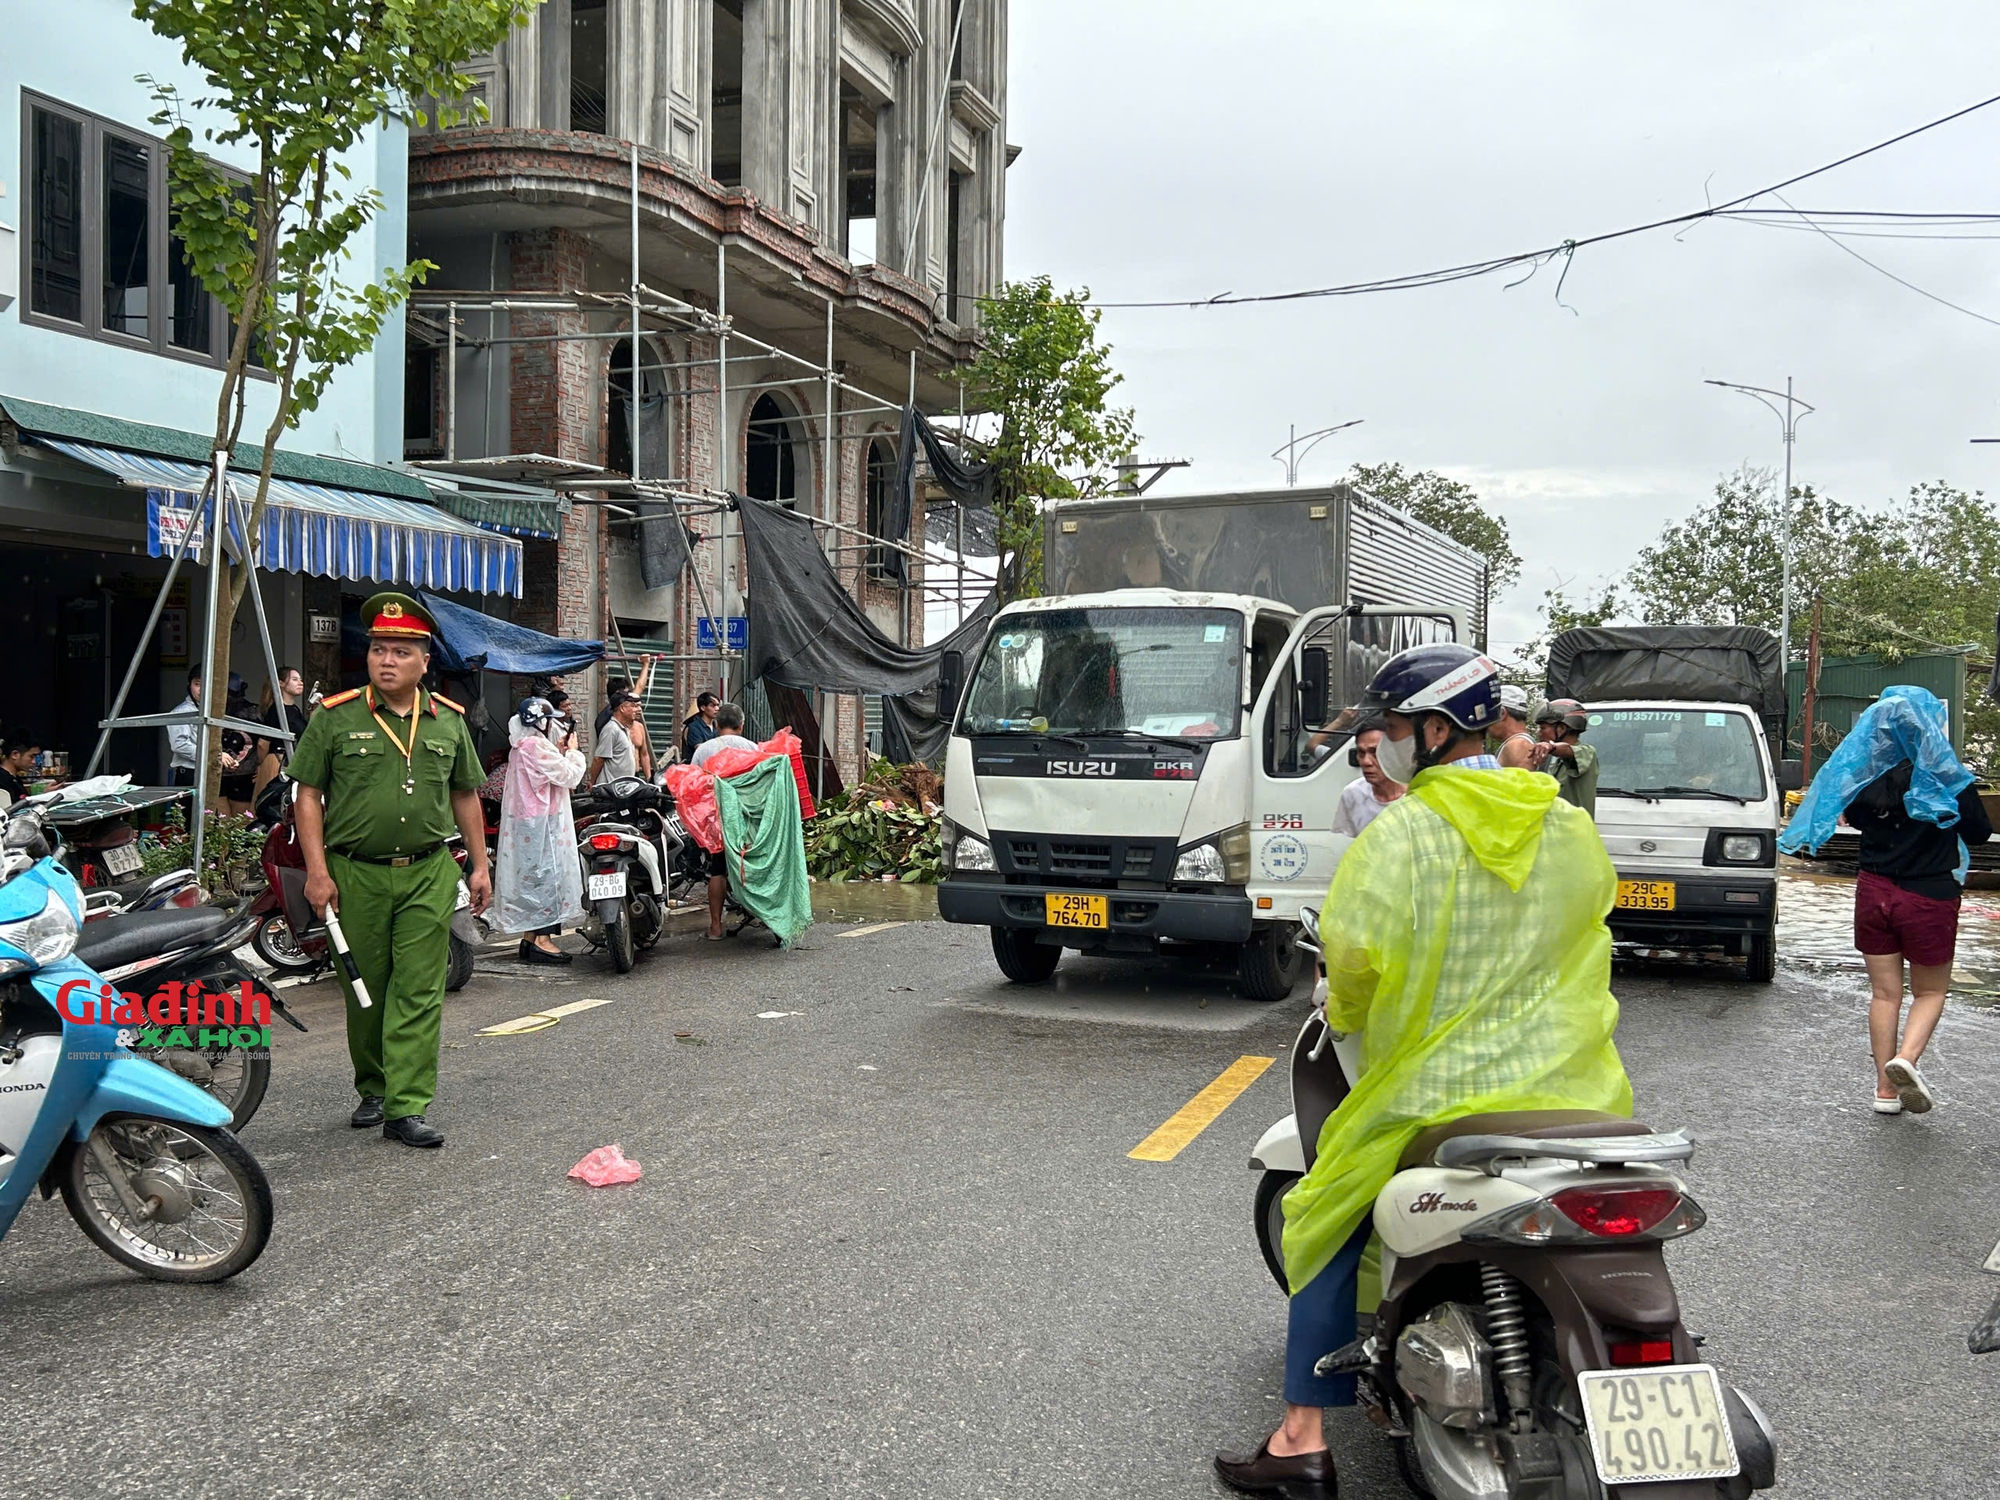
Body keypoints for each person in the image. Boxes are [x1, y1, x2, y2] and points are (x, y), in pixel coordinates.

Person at [1216, 643, 1631, 1500]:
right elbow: (1590, 932)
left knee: (1321, 1212)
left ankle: (1301, 1438)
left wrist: (1349, 1010)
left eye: (1397, 727)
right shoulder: (1569, 826)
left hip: (1436, 1096)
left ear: (1435, 729)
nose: (1388, 742)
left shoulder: (1402, 836)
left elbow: (1355, 963)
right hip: (1576, 1092)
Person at [289, 592, 492, 1150]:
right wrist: (316, 871)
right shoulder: (335, 718)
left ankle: (407, 1105)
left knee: (420, 989)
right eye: (380, 649)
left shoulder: (448, 722)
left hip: (428, 870)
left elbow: (465, 795)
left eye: (402, 651)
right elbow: (307, 797)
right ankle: (374, 1085)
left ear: (425, 660)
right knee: (364, 988)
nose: (387, 660)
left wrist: (480, 864)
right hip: (355, 873)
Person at [1779, 685, 1991, 1115]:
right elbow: (1979, 833)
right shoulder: (1947, 775)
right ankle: (1905, 1060)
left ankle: (1884, 1091)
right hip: (1929, 894)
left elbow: (1852, 816)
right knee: (1929, 992)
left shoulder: (1864, 775)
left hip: (1874, 892)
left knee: (1884, 994)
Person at [493, 697, 587, 967]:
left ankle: (529, 937)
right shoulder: (535, 746)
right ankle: (543, 940)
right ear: (542, 722)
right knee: (547, 878)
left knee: (531, 879)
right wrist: (573, 752)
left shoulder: (521, 746)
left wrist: (558, 752)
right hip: (543, 825)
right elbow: (569, 775)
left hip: (526, 825)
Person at [691, 702, 761, 941]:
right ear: (741, 726)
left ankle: (716, 927)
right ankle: (762, 913)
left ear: (717, 725)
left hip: (717, 819)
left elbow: (693, 785)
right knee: (752, 865)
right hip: (747, 818)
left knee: (718, 869)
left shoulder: (703, 750)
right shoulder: (753, 748)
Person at [1330, 724, 1405, 837]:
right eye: (1361, 753)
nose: (1366, 762)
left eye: (1375, 752)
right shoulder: (1353, 793)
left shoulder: (1418, 794)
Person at [1529, 697, 1598, 814]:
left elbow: (1567, 750)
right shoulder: (1557, 762)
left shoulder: (1587, 753)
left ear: (1561, 728)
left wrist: (1550, 746)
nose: (1539, 733)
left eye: (1543, 728)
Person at [254, 665, 310, 802]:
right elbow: (263, 743)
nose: (300, 682)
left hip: (292, 763)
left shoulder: (295, 709)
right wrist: (263, 765)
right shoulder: (276, 710)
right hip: (278, 763)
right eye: (295, 679)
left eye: (300, 679)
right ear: (281, 683)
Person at [596, 656, 659, 777]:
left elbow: (644, 755)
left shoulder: (637, 725)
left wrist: (646, 664)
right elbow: (599, 758)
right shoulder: (607, 720)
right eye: (627, 695)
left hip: (634, 776)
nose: (636, 708)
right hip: (615, 778)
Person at [217, 676, 256, 816]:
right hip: (218, 772)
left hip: (244, 774)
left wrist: (262, 766)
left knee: (240, 824)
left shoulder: (252, 713)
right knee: (223, 822)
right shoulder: (212, 710)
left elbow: (264, 743)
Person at [589, 692, 644, 788]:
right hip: (611, 790)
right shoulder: (611, 729)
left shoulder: (624, 729)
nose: (637, 710)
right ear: (622, 708)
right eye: (633, 706)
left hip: (622, 789)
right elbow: (599, 759)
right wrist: (592, 782)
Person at [166, 667, 203, 787]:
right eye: (197, 684)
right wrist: (213, 757)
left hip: (210, 772)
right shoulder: (182, 712)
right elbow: (179, 745)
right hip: (189, 774)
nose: (202, 689)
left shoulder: (214, 711)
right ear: (190, 686)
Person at [1492, 683, 1537, 768]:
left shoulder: (1518, 745)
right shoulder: (1517, 743)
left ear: (1502, 713)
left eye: (1490, 715)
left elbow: (1523, 781)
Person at [0, 734, 39, 808]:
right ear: (15, 754)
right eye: (31, 756)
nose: (34, 762)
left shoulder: (15, 779)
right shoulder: (3, 782)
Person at [682, 691, 721, 764]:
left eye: (718, 705)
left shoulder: (717, 726)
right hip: (696, 768)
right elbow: (701, 750)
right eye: (712, 705)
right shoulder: (694, 727)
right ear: (703, 707)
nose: (717, 708)